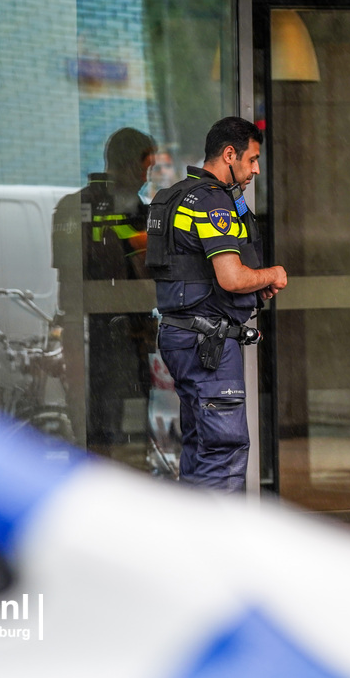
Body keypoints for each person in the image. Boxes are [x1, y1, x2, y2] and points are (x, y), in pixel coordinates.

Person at [148, 116, 287, 493]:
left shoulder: (176, 196)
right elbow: (231, 277)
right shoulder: (213, 202)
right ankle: (218, 551)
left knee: (199, 449)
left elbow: (198, 272)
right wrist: (270, 274)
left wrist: (253, 287)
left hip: (183, 337)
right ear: (230, 154)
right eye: (252, 159)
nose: (256, 169)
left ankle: (191, 547)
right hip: (207, 343)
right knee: (223, 453)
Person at [52, 127, 157, 448]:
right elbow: (70, 285)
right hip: (91, 339)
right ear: (125, 165)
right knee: (95, 431)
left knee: (133, 430)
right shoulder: (76, 208)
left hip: (133, 340)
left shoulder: (142, 212)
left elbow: (151, 283)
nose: (146, 177)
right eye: (144, 168)